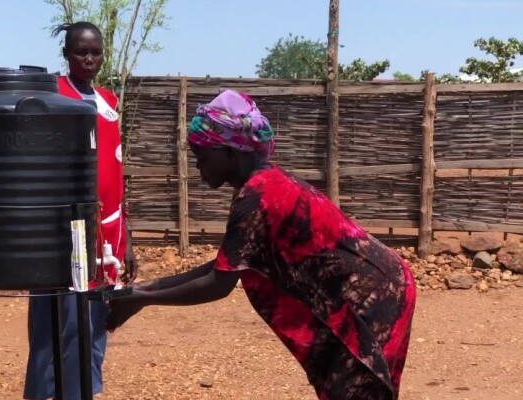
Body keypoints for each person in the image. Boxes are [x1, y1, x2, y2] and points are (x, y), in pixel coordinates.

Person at [106, 89, 417, 400]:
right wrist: (140, 291)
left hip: (372, 298)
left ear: (229, 153)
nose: (198, 166)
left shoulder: (259, 196)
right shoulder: (261, 184)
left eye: (202, 156)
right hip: (378, 286)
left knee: (354, 391)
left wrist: (141, 298)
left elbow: (219, 283)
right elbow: (224, 266)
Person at [24, 21, 138, 400]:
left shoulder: (108, 101)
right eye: (80, 52)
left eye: (95, 52)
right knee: (55, 323)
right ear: (66, 55)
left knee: (94, 322)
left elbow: (116, 171)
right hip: (67, 231)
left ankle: (83, 392)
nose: (89, 59)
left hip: (109, 231)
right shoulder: (54, 95)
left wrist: (129, 239)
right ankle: (44, 393)